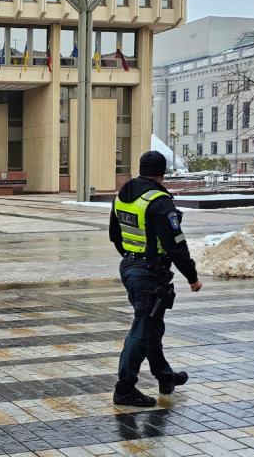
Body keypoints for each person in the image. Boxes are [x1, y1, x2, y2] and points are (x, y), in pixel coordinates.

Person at [109, 150, 203, 407]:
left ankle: (164, 376)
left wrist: (133, 258)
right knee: (142, 329)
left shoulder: (123, 196)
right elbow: (175, 245)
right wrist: (192, 277)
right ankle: (125, 389)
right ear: (162, 173)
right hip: (150, 273)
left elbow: (115, 235)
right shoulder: (159, 201)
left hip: (130, 267)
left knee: (152, 325)